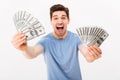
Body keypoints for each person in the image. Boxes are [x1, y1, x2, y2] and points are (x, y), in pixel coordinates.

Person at [11, 4, 102, 80]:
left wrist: (91, 56)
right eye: (55, 18)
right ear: (51, 21)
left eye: (63, 17)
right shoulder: (46, 41)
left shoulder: (75, 38)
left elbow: (87, 54)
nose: (60, 21)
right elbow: (32, 53)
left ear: (68, 20)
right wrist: (24, 48)